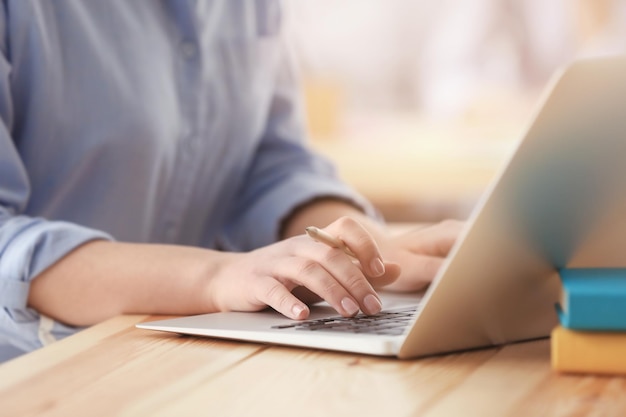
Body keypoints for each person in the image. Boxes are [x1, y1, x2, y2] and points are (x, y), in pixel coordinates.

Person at [0, 1, 462, 361]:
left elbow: (272, 164)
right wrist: (213, 277)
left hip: (184, 361)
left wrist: (366, 254)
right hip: (35, 373)